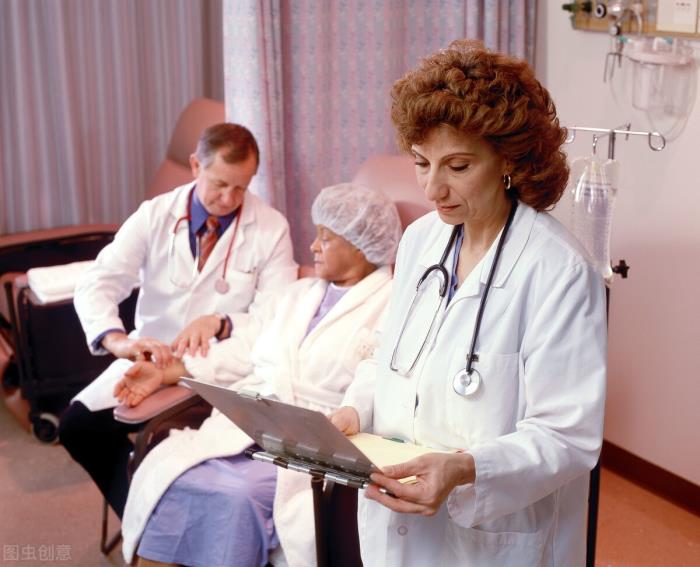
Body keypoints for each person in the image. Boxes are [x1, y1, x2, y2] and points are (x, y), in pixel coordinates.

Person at [331, 40, 607, 566]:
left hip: (493, 540)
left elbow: (567, 436)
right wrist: (355, 409)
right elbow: (390, 353)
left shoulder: (559, 271)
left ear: (508, 159)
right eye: (421, 163)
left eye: (457, 166)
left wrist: (464, 469)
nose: (433, 188)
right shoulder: (421, 240)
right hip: (399, 518)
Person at [116, 182, 401, 567]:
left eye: (325, 238)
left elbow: (376, 385)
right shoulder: (300, 293)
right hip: (252, 422)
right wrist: (168, 372)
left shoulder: (391, 304)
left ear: (360, 246)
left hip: (312, 442)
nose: (312, 247)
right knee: (168, 473)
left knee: (235, 495)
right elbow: (248, 346)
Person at [58, 123, 297, 519]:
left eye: (241, 187)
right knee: (77, 428)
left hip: (224, 369)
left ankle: (156, 528)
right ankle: (146, 523)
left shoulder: (270, 227)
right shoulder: (155, 215)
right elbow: (98, 281)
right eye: (220, 184)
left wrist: (221, 322)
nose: (230, 198)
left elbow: (278, 317)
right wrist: (118, 341)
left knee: (187, 451)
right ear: (195, 166)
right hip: (151, 358)